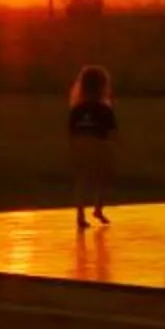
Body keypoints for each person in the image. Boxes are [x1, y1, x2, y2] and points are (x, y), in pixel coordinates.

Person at [68, 64, 118, 230]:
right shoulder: (104, 109)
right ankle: (98, 207)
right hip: (98, 144)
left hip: (80, 144)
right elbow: (111, 131)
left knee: (82, 179)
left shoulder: (77, 108)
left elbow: (72, 129)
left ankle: (80, 214)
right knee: (102, 177)